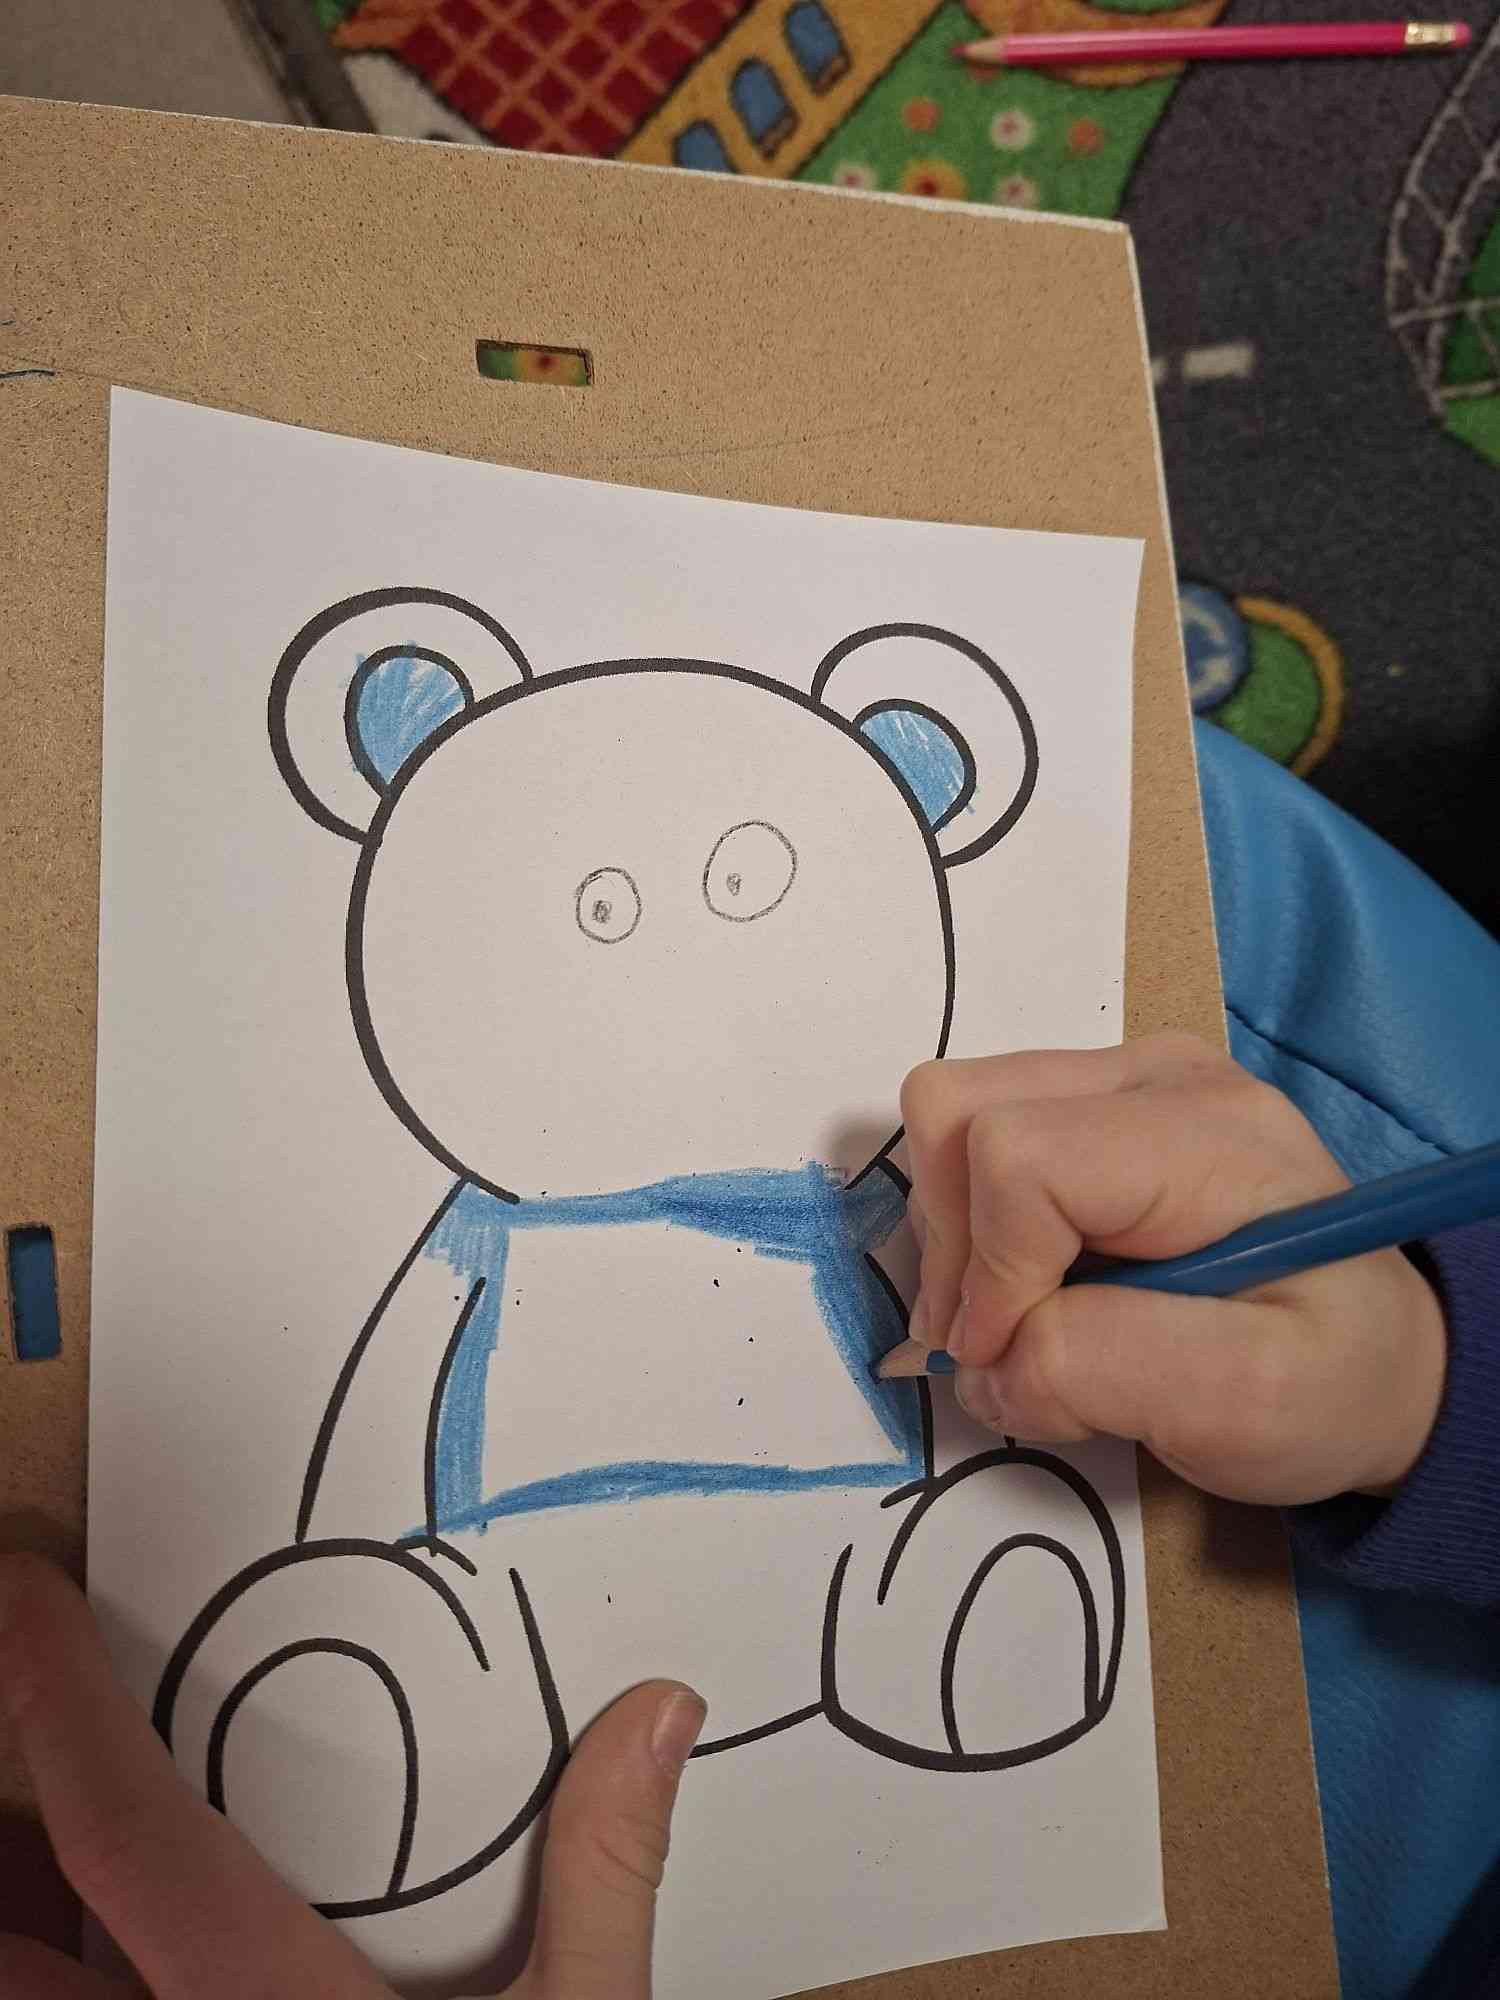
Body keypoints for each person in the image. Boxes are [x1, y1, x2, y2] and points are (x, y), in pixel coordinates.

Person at [0, 1033, 1481, 1995]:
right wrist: (1435, 1384)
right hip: (511, 1588)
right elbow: (390, 1391)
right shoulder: (490, 1228)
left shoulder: (826, 1215)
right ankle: (389, 1660)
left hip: (864, 1559)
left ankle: (954, 1613)